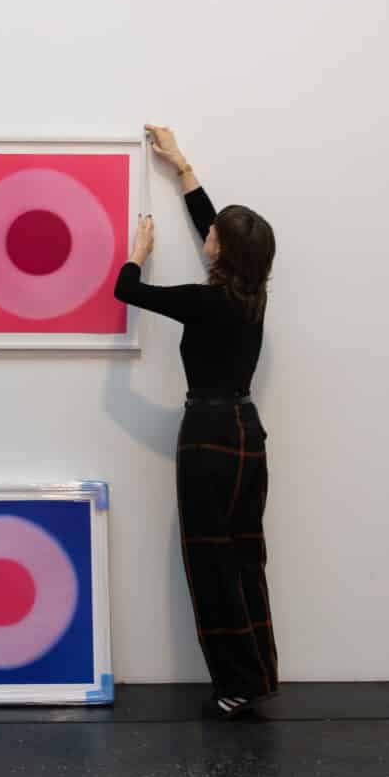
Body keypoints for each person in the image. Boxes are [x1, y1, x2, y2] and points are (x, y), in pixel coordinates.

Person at [114, 124, 278, 718]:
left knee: (211, 562)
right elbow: (212, 220)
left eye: (212, 236)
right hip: (247, 434)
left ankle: (235, 684)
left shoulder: (204, 302)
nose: (205, 235)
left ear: (222, 252)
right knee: (245, 556)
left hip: (208, 439)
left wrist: (138, 251)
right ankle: (256, 675)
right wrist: (181, 165)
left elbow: (126, 289)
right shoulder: (252, 294)